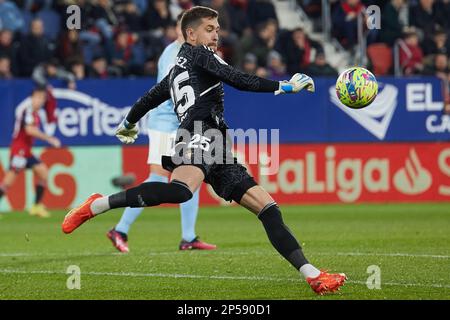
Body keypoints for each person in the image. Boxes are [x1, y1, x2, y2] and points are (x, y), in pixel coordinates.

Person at [62, 6, 346, 295]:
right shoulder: (201, 55)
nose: (216, 35)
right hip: (199, 134)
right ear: (191, 34)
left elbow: (148, 99)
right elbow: (239, 79)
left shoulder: (176, 71)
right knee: (181, 191)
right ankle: (98, 204)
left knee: (268, 209)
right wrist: (285, 86)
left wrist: (128, 123)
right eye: (209, 29)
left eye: (218, 29)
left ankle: (313, 275)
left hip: (218, 145)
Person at [107, 12, 216, 253]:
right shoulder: (174, 56)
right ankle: (120, 228)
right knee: (158, 178)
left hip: (176, 124)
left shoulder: (186, 52)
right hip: (166, 123)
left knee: (191, 176)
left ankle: (188, 236)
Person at [0, 87, 60, 217]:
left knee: (43, 172)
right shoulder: (27, 110)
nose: (40, 101)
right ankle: (36, 206)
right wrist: (49, 139)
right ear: (31, 98)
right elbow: (29, 130)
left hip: (27, 152)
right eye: (37, 97)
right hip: (19, 151)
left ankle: (36, 206)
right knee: (8, 182)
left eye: (42, 98)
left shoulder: (36, 113)